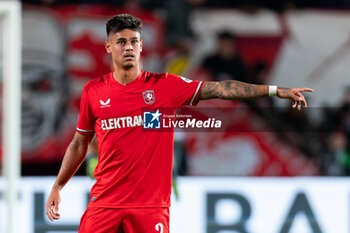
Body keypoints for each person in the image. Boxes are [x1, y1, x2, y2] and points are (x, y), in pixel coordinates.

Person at [46, 14, 313, 232]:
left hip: (150, 207)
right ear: (108, 47)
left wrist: (273, 90)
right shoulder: (94, 91)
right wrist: (58, 186)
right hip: (105, 203)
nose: (128, 47)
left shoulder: (165, 86)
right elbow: (79, 143)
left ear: (141, 46)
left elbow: (221, 89)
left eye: (134, 41)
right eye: (121, 41)